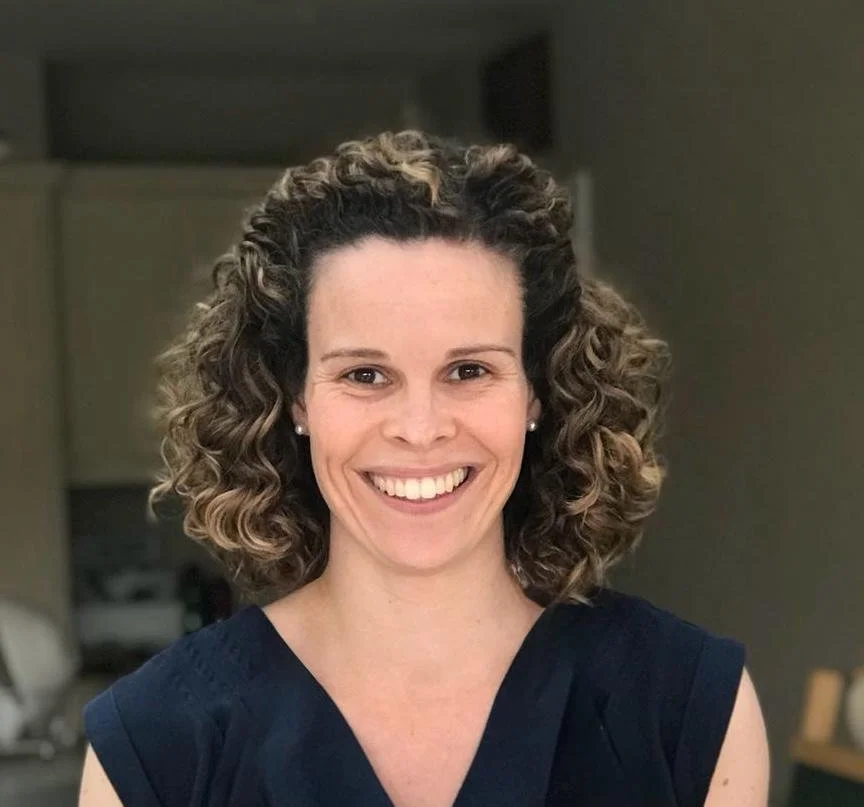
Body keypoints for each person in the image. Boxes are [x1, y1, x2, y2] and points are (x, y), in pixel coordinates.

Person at [78, 131, 769, 806]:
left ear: (536, 390)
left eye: (468, 369)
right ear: (295, 400)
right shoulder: (156, 747)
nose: (420, 428)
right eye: (366, 373)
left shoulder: (687, 713)